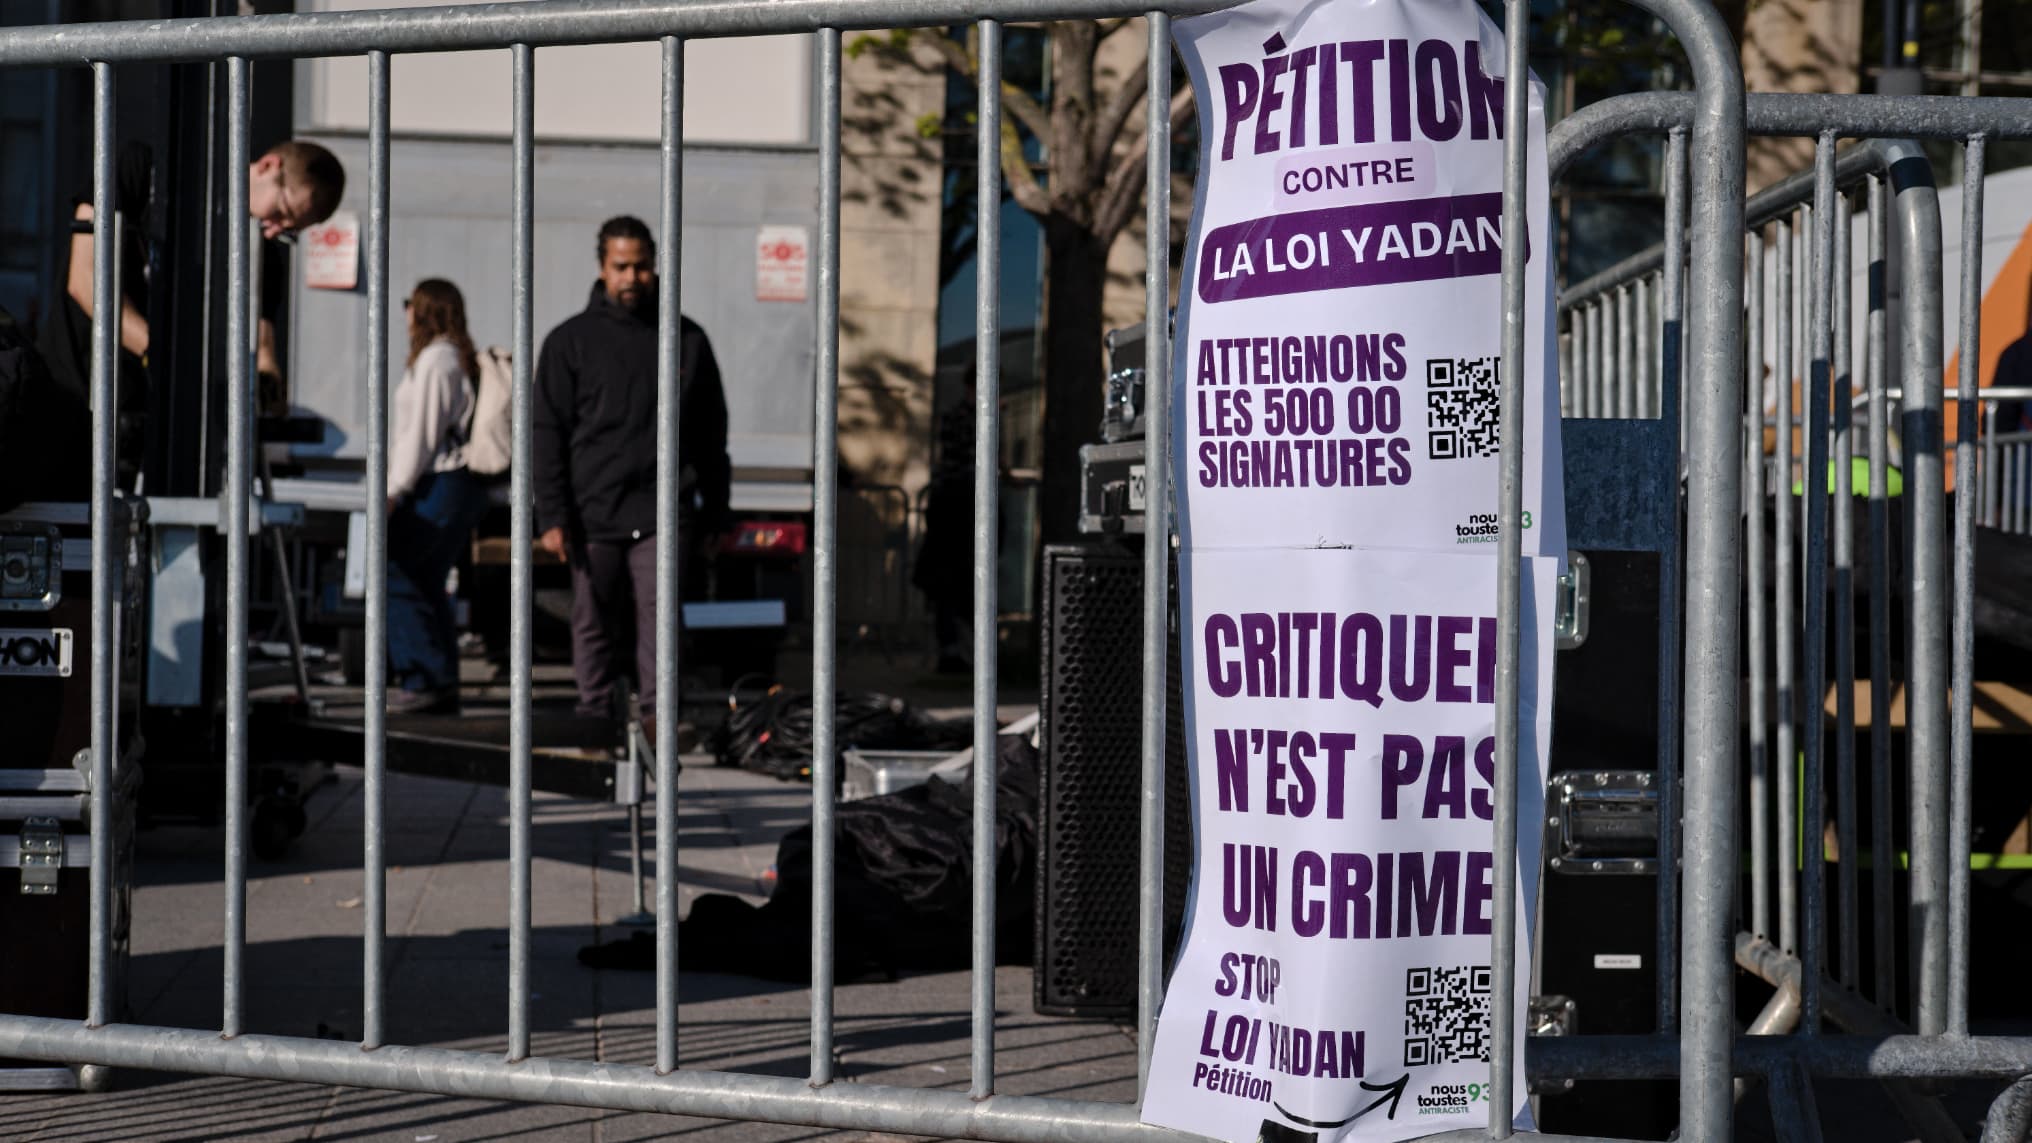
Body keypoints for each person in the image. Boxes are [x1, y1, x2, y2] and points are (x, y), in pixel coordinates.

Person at [40, 139, 346, 483]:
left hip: (150, 437)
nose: (275, 228)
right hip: (72, 396)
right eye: (280, 211)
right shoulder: (144, 171)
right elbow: (85, 282)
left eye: (290, 229)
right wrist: (164, 357)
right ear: (268, 166)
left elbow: (263, 350)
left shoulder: (263, 254)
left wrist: (267, 388)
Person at [532, 215, 731, 740]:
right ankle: (595, 719)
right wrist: (551, 514)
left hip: (663, 509)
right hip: (591, 510)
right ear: (602, 267)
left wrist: (717, 511)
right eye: (621, 266)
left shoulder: (686, 339)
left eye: (641, 267)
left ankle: (660, 720)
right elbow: (546, 433)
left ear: (654, 266)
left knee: (661, 618)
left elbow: (711, 433)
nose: (632, 278)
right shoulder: (570, 341)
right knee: (592, 620)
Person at [384, 279, 490, 715]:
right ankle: (441, 679)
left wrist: (394, 489)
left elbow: (421, 436)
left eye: (410, 304)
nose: (405, 313)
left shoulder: (436, 360)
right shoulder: (453, 357)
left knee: (395, 574)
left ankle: (424, 677)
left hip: (437, 483)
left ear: (425, 309)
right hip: (452, 485)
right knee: (427, 581)